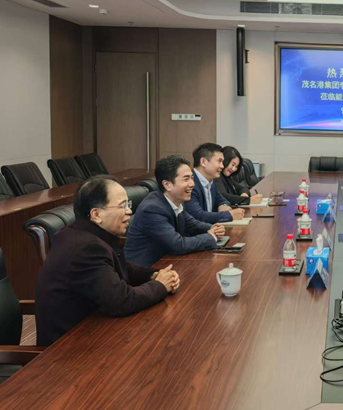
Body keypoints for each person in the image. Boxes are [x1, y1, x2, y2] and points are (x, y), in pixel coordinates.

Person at [35, 176, 179, 345]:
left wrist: (152, 275)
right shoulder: (86, 248)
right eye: (122, 206)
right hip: (69, 347)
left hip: (92, 329)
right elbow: (122, 301)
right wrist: (160, 285)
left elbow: (120, 268)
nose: (129, 211)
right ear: (96, 214)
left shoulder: (83, 235)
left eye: (128, 204)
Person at [124, 155, 225, 267]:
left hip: (169, 262)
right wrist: (211, 237)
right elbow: (178, 245)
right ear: (167, 185)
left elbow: (192, 225)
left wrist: (213, 228)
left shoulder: (176, 200)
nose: (192, 184)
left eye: (192, 178)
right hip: (147, 270)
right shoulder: (152, 209)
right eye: (186, 179)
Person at [185, 142, 246, 224]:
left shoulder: (211, 181)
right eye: (219, 161)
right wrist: (229, 215)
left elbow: (223, 200)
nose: (222, 166)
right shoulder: (190, 184)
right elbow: (197, 215)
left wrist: (223, 206)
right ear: (203, 162)